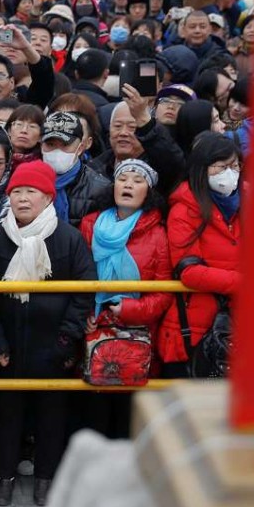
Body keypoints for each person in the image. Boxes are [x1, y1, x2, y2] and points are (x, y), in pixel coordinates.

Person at [0, 161, 96, 506]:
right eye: (16, 191)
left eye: (30, 191)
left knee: (52, 415)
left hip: (53, 344)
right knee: (6, 413)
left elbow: (84, 291)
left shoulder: (68, 238)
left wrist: (66, 339)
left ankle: (45, 478)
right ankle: (5, 476)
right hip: (8, 344)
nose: (22, 198)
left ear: (48, 197)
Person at [79, 159, 172, 439]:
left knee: (125, 419)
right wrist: (85, 313)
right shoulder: (90, 224)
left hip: (135, 335)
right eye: (123, 179)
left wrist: (129, 309)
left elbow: (163, 292)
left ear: (148, 191)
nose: (128, 185)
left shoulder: (157, 233)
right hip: (92, 332)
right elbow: (77, 276)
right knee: (92, 416)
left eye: (137, 180)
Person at [158, 131, 242, 377]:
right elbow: (189, 272)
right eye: (222, 167)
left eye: (235, 166)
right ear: (202, 168)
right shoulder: (184, 210)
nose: (230, 173)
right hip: (193, 332)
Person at [37, 111, 111, 228]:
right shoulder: (26, 182)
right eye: (50, 144)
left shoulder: (100, 189)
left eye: (65, 145)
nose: (57, 151)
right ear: (41, 145)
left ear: (80, 148)